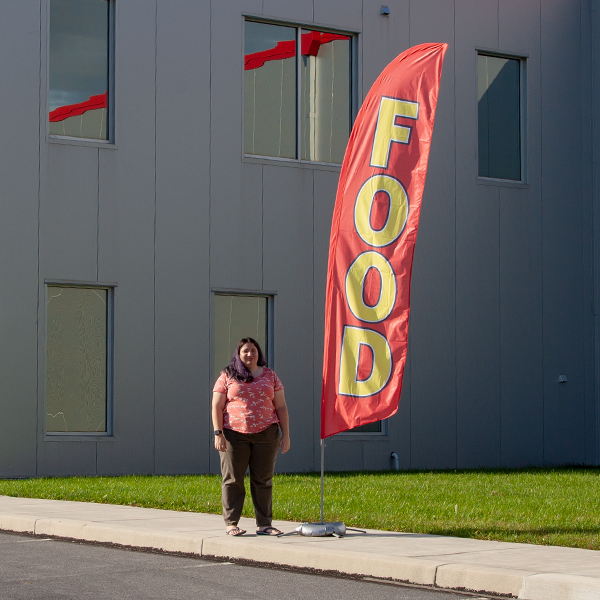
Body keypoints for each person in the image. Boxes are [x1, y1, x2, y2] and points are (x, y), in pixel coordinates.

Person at [212, 337, 290, 536]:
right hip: (233, 435)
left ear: (259, 353)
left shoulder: (270, 375)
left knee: (263, 480)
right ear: (238, 354)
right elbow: (217, 406)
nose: (249, 354)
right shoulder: (227, 375)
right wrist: (218, 433)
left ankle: (265, 524)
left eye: (253, 350)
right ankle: (231, 524)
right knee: (232, 480)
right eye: (245, 351)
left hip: (267, 434)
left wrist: (286, 435)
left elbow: (280, 406)